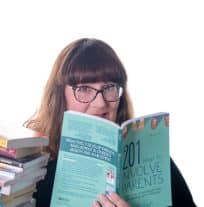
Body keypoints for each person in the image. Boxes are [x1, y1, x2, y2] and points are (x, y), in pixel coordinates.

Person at [25, 38, 196, 207]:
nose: (101, 104)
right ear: (60, 96)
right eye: (84, 89)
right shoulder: (32, 170)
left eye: (109, 87)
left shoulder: (153, 160)